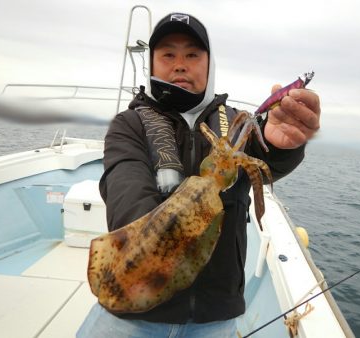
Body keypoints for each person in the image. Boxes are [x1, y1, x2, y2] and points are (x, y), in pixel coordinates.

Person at [77, 12, 320, 338]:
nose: (180, 64)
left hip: (215, 315)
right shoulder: (130, 124)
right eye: (167, 54)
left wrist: (282, 148)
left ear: (209, 64)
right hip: (133, 311)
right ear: (152, 63)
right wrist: (202, 193)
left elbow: (265, 167)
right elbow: (125, 197)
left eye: (192, 54)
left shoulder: (235, 123)